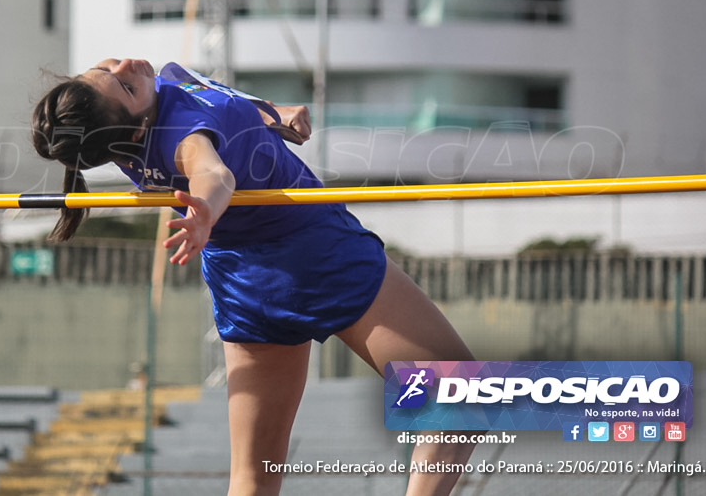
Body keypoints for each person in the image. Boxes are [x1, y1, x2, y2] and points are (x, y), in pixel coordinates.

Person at [31, 58, 477, 496]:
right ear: (136, 132)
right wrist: (203, 212)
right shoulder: (178, 135)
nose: (126, 66)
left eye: (107, 70)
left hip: (245, 282)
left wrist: (271, 115)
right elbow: (212, 172)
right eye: (125, 87)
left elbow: (204, 92)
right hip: (316, 253)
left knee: (255, 479)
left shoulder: (147, 106)